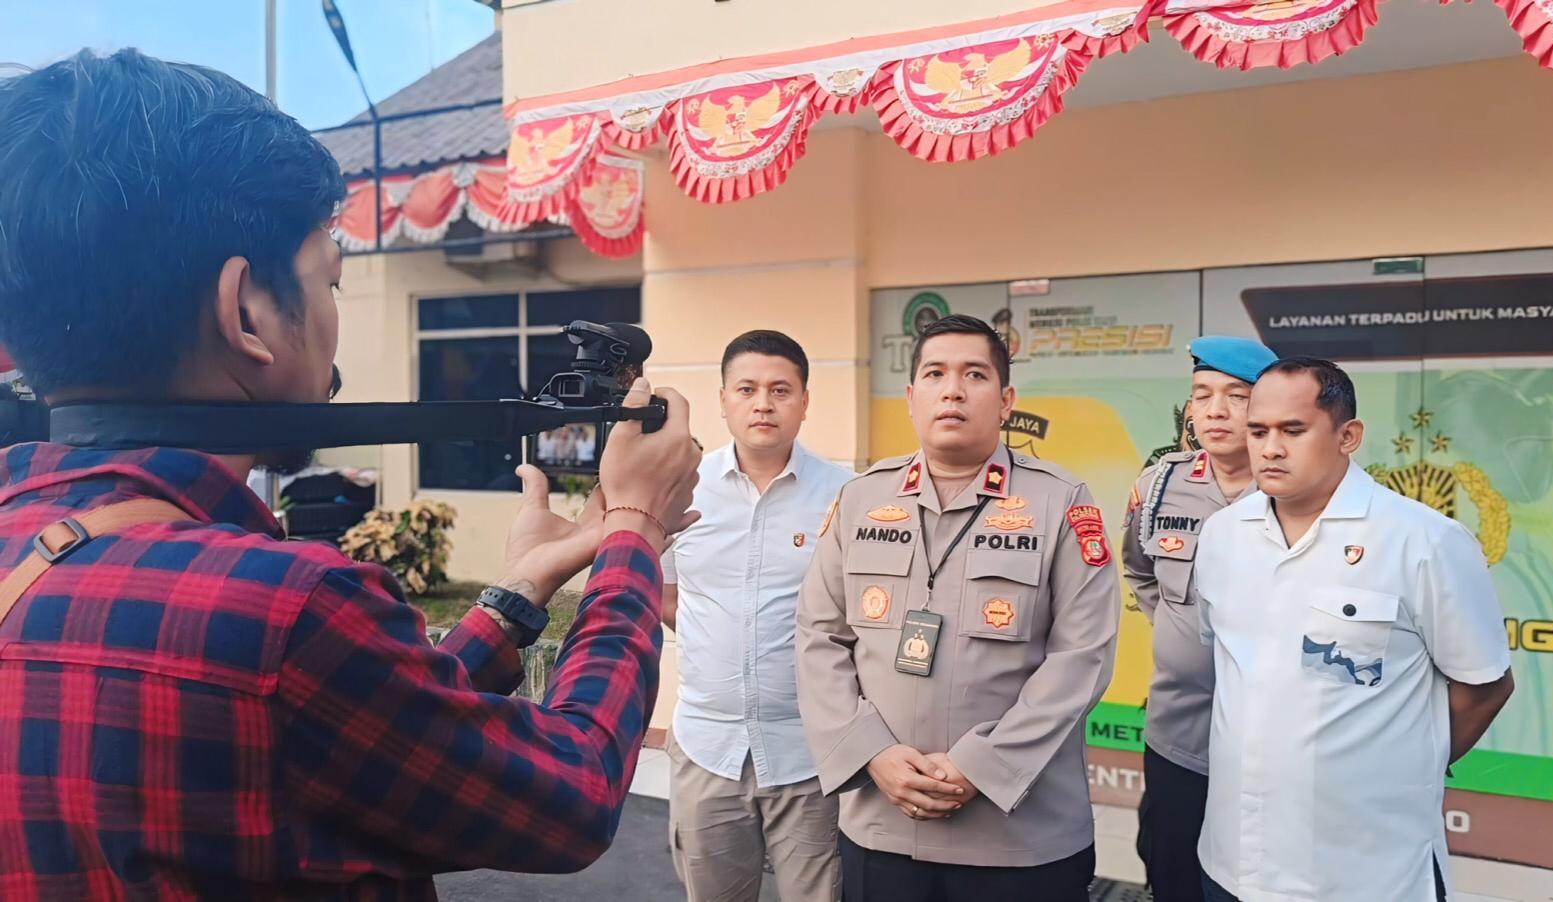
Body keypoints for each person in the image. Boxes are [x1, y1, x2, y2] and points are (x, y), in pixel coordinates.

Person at [0, 49, 702, 899]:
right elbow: (571, 793)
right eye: (329, 280)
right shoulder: (282, 610)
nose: (334, 317)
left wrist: (519, 589)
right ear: (247, 312)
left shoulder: (33, 544)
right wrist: (634, 526)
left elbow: (348, 724)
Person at [796, 314, 1121, 902]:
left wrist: (981, 766)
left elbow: (1083, 657)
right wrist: (872, 754)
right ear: (911, 397)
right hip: (882, 822)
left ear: (1006, 400)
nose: (953, 390)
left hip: (1019, 836)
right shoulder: (861, 498)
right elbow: (820, 638)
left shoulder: (1061, 501)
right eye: (935, 374)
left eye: (974, 374)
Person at [1193, 357, 1515, 901]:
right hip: (1235, 862)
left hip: (1369, 873)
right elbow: (1229, 666)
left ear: (1348, 436)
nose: (1270, 449)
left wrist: (1399, 767)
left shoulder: (1423, 541)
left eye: (1293, 430)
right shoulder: (1223, 535)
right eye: (1259, 431)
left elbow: (1485, 686)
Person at [660, 330, 853, 901]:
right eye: (746, 389)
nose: (763, 404)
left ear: (805, 401)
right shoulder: (682, 490)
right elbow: (664, 591)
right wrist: (717, 639)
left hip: (812, 751)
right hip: (707, 746)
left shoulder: (847, 495)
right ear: (723, 400)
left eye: (780, 390)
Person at [1121, 337, 1277, 901]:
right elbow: (1140, 571)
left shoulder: (1293, 488)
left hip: (1272, 743)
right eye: (1202, 394)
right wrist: (1182, 632)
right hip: (1180, 735)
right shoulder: (1159, 486)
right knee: (1173, 873)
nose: (1215, 411)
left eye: (1236, 396)